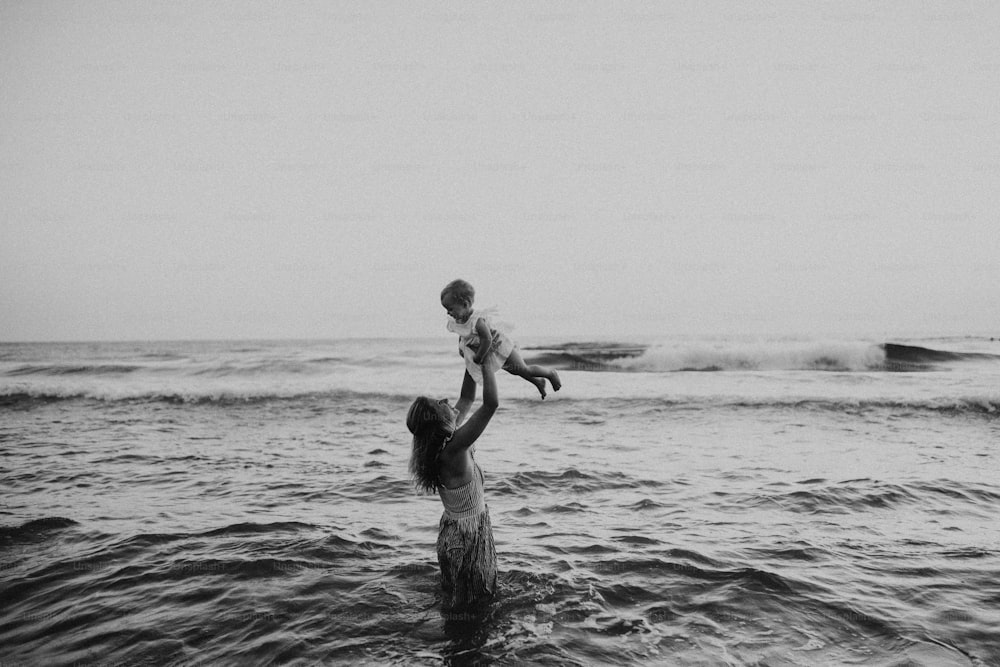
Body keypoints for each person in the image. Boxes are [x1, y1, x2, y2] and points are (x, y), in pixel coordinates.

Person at [407, 361, 500, 610]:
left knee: (460, 598)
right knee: (475, 602)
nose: (447, 400)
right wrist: (488, 361)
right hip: (467, 535)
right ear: (438, 420)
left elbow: (467, 396)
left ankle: (456, 638)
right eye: (440, 403)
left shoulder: (443, 442)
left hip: (456, 532)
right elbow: (490, 404)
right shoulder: (454, 448)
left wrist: (472, 356)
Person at [440, 279, 561, 399]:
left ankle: (550, 374)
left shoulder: (477, 321)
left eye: (451, 309)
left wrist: (479, 356)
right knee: (515, 371)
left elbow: (487, 339)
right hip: (492, 352)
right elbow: (462, 334)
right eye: (446, 310)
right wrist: (461, 347)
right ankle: (538, 382)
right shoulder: (459, 320)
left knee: (524, 369)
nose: (448, 313)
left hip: (501, 347)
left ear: (465, 304)